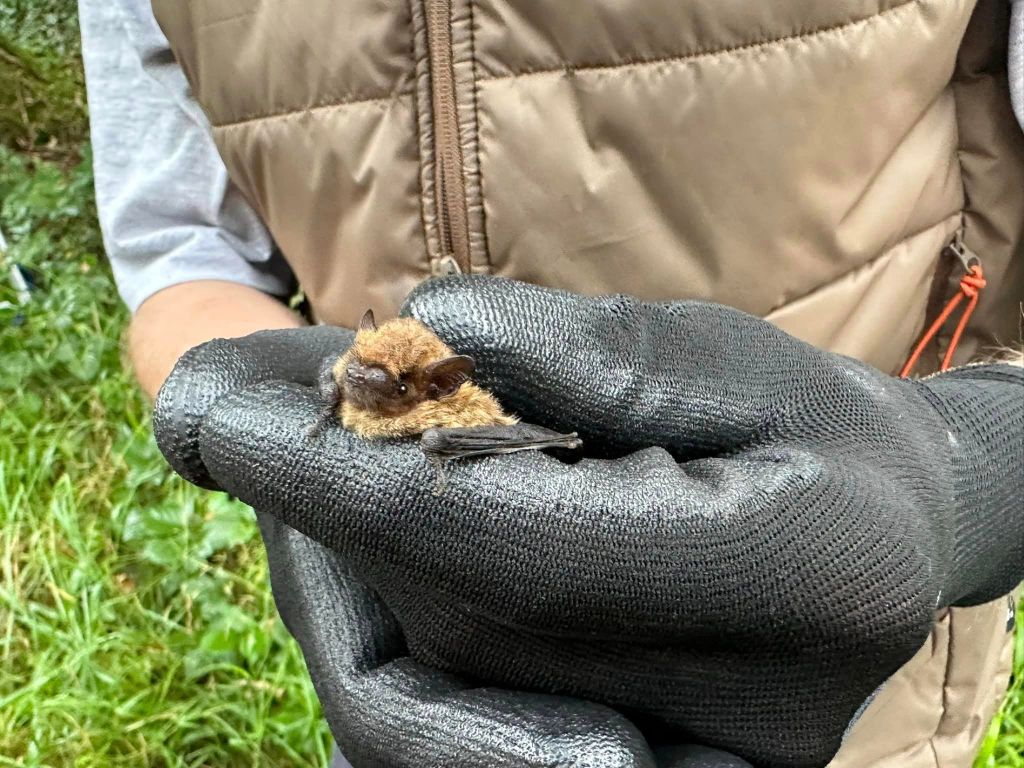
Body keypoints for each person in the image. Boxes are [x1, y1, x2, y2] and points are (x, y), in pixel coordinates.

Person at [80, 0, 1024, 765]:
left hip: (842, 623)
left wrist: (971, 467)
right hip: (411, 625)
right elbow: (182, 250)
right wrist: (267, 431)